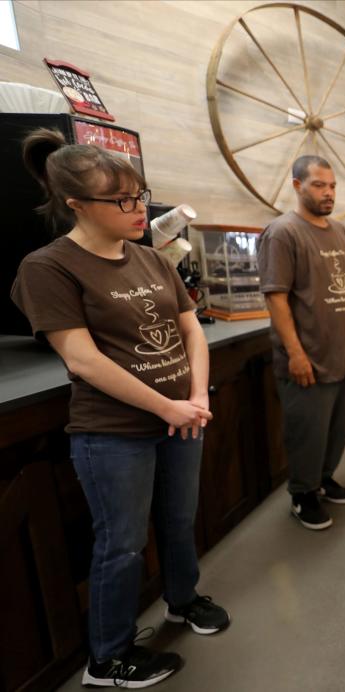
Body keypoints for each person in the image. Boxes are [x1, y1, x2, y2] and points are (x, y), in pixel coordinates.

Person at [10, 130, 229, 689]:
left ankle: (182, 600)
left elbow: (191, 332)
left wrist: (196, 397)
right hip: (114, 433)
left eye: (140, 196)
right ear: (76, 205)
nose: (140, 210)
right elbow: (82, 360)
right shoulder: (48, 267)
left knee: (179, 521)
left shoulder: (150, 259)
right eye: (123, 201)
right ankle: (107, 659)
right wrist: (167, 407)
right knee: (122, 543)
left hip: (182, 417)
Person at [258, 155, 345, 531]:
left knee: (338, 428)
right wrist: (295, 353)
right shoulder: (282, 233)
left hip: (343, 352)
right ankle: (303, 494)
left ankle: (324, 479)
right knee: (306, 431)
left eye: (333, 186)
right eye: (319, 185)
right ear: (297, 186)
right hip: (307, 356)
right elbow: (276, 298)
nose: (328, 193)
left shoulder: (341, 232)